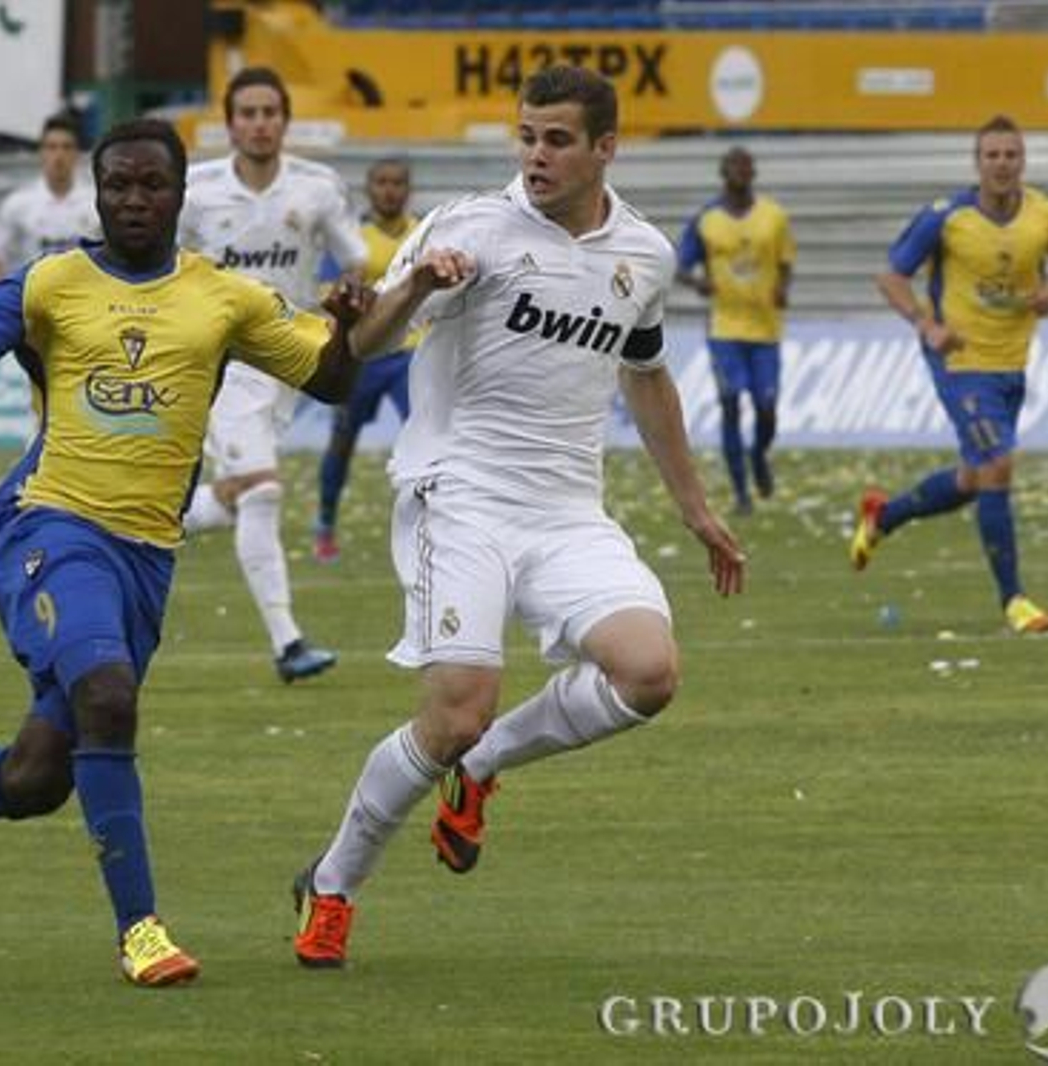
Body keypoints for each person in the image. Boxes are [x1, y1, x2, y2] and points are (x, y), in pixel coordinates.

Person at [0, 119, 371, 988]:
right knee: (108, 695)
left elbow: (328, 379)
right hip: (49, 526)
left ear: (182, 197)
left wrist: (346, 331)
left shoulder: (223, 298)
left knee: (35, 779)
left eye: (152, 187)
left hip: (145, 558)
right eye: (119, 186)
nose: (134, 201)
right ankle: (141, 931)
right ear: (97, 193)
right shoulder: (53, 283)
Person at [289, 65, 747, 969]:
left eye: (557, 139)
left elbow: (646, 374)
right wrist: (417, 284)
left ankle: (488, 764)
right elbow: (361, 347)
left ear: (604, 149)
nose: (535, 155)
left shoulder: (644, 256)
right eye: (527, 136)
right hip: (458, 495)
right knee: (453, 711)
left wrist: (695, 508)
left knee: (648, 674)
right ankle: (334, 882)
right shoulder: (468, 227)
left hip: (566, 510)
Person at [177, 66, 370, 683]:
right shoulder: (197, 190)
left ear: (284, 120)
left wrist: (346, 298)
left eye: (270, 112)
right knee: (261, 490)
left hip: (289, 359)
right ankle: (289, 645)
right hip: (221, 358)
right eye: (248, 112)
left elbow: (357, 258)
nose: (260, 123)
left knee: (242, 498)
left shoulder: (316, 188)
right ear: (229, 122)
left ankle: (150, 520)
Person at [859, 114, 1048, 634]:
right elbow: (891, 275)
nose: (1002, 164)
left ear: (1022, 160)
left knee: (975, 477)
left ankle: (883, 515)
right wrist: (925, 323)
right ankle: (1015, 601)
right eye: (992, 155)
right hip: (959, 362)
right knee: (998, 463)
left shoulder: (1046, 215)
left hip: (1012, 363)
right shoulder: (946, 217)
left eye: (1011, 155)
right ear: (977, 162)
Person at [675, 146, 795, 516]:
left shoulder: (774, 216)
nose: (742, 172)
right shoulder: (707, 220)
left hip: (765, 329)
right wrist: (698, 284)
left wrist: (782, 288)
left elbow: (785, 260)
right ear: (723, 173)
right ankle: (742, 492)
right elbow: (679, 265)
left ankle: (759, 454)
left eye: (747, 166)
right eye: (735, 166)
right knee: (729, 403)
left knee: (767, 408)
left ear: (754, 173)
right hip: (724, 327)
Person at [312, 157, 418, 564]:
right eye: (382, 182)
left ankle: (428, 527)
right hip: (360, 356)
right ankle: (325, 523)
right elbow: (327, 290)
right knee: (341, 443)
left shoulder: (422, 233)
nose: (389, 190)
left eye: (397, 183)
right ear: (369, 189)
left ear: (408, 190)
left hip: (407, 354)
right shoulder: (351, 237)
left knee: (423, 437)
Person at [0, 113, 99, 283]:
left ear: (77, 153)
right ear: (41, 152)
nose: (59, 155)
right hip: (33, 302)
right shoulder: (18, 203)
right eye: (52, 147)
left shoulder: (96, 203)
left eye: (66, 147)